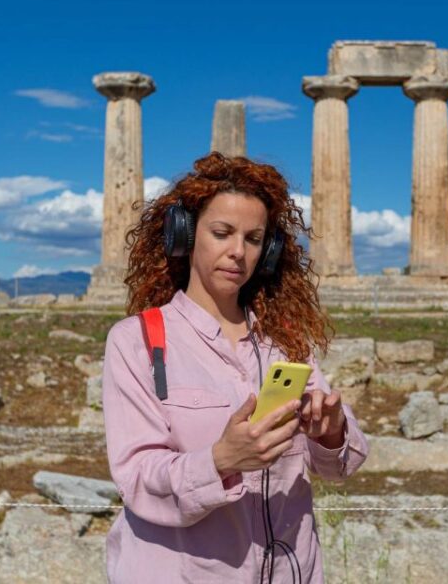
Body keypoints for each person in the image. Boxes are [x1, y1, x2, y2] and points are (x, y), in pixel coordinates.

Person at [102, 152, 368, 583]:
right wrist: (220, 460)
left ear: (269, 251)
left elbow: (341, 466)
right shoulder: (138, 341)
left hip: (289, 571)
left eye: (253, 238)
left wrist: (332, 430)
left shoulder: (286, 343)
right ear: (184, 236)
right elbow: (135, 479)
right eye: (222, 233)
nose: (237, 252)